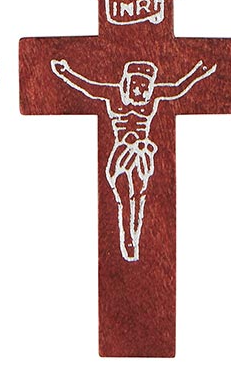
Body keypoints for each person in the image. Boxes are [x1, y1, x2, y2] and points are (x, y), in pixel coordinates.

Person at [51, 58, 216, 262]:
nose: (141, 91)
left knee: (137, 198)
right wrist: (65, 73)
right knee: (123, 197)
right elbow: (88, 87)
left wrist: (198, 73)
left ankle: (133, 238)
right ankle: (128, 238)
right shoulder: (112, 96)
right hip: (121, 154)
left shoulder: (153, 98)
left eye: (146, 86)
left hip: (141, 154)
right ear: (127, 82)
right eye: (137, 85)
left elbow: (176, 88)